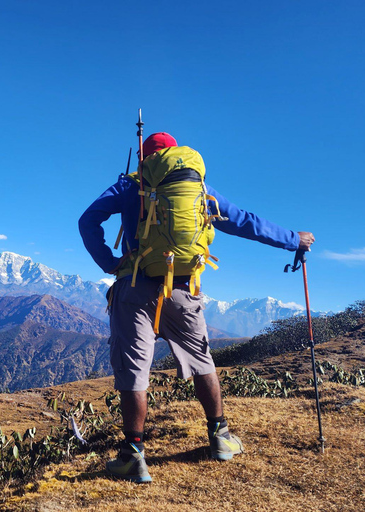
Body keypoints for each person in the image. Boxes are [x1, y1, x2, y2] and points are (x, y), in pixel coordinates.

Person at [78, 132, 315, 483]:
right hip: (183, 289)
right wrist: (293, 239)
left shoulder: (132, 185)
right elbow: (245, 221)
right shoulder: (198, 188)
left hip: (134, 288)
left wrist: (108, 262)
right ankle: (220, 438)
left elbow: (87, 220)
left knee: (135, 373)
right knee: (203, 363)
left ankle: (133, 455)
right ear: (176, 155)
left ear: (145, 157)